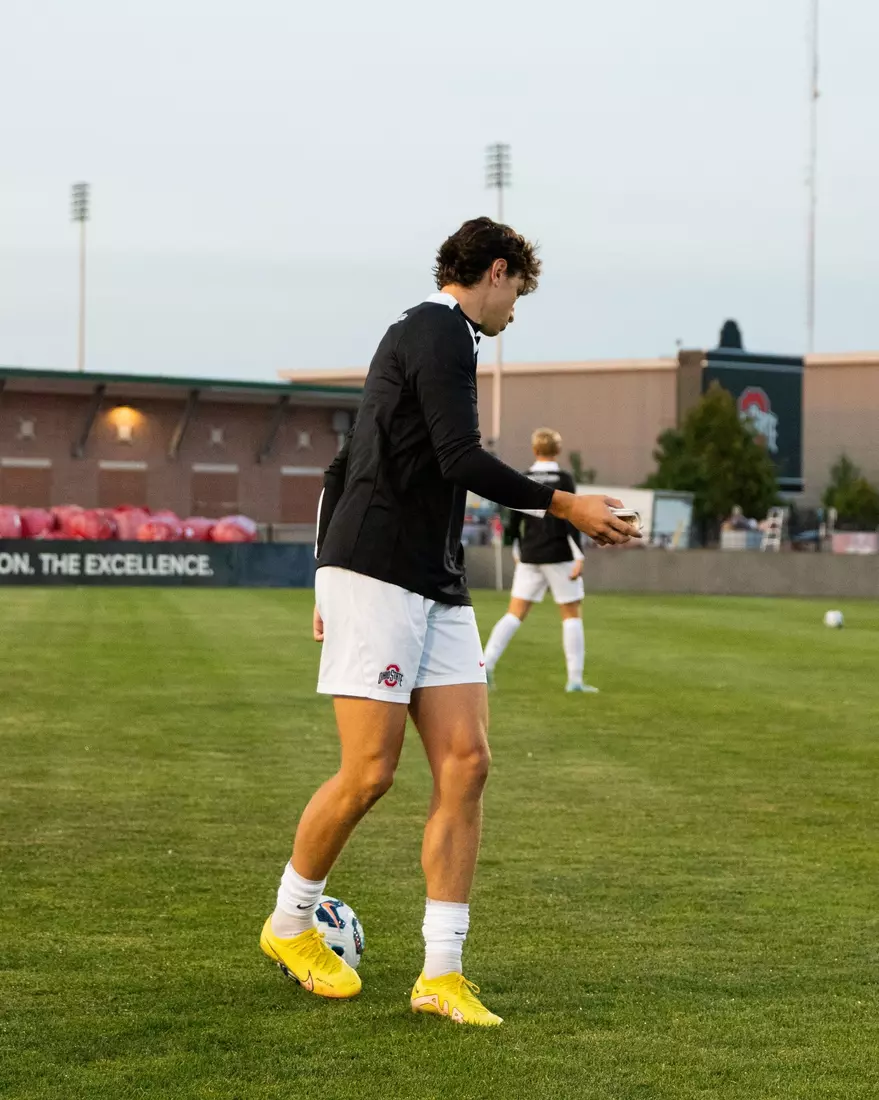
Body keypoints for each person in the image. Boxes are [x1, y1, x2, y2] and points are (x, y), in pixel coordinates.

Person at [259, 217, 639, 1027]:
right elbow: (458, 458)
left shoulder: (438, 339)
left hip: (435, 579)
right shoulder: (437, 330)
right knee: (370, 772)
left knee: (466, 764)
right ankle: (290, 923)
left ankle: (441, 973)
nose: (515, 314)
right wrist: (565, 499)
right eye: (518, 294)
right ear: (495, 272)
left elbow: (343, 460)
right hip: (377, 572)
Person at [483, 428, 598, 693]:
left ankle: (485, 665)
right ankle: (575, 680)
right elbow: (572, 516)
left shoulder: (523, 477)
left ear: (534, 450)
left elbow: (514, 519)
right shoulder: (564, 478)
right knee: (571, 614)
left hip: (530, 554)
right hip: (559, 553)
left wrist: (515, 550)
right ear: (557, 450)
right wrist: (579, 554)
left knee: (514, 614)